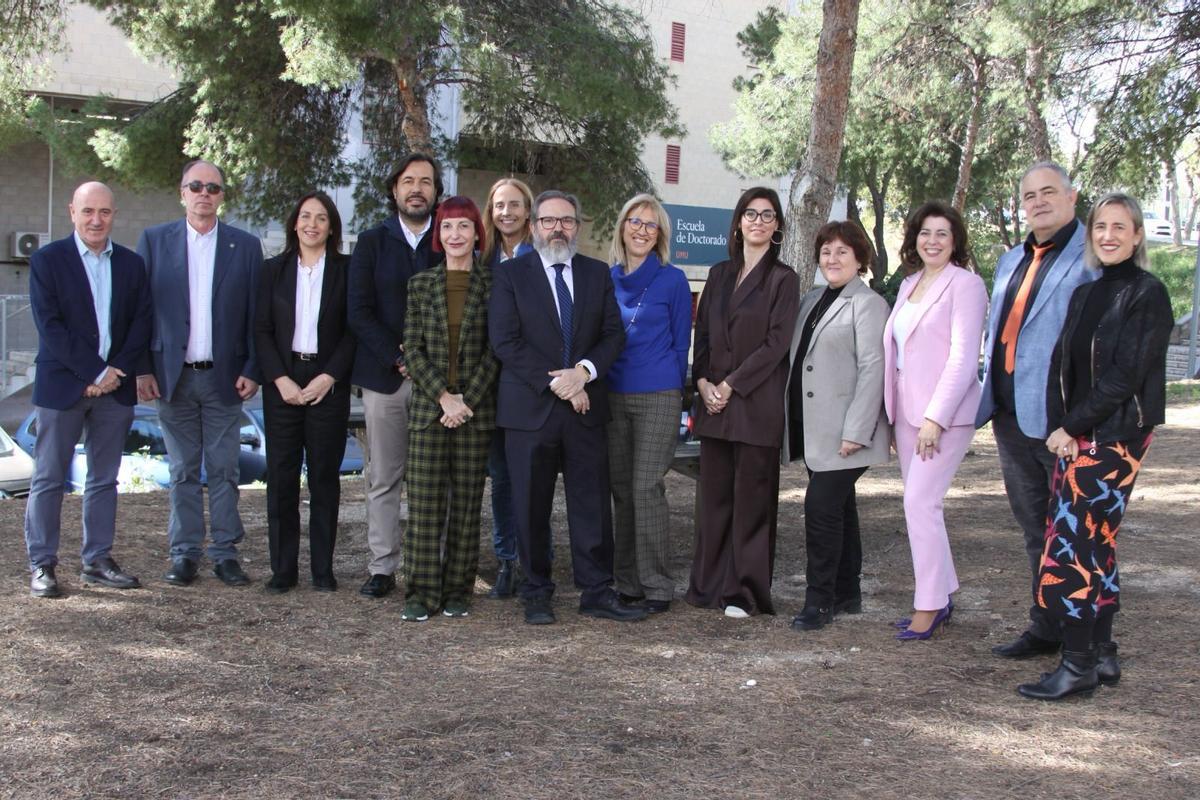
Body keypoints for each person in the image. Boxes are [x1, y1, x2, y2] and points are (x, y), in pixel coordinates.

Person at [1016, 193, 1173, 700]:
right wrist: (1060, 427)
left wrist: (1074, 427)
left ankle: (1077, 663)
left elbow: (1125, 376)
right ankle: (1103, 655)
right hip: (1080, 435)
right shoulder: (1087, 293)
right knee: (1097, 542)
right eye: (1100, 226)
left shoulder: (1149, 294)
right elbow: (1067, 369)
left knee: (1073, 546)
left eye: (1119, 227)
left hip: (1116, 435)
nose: (1108, 235)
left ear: (1137, 235)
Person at [488, 189, 644, 625]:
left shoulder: (596, 274)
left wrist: (585, 373)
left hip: (585, 407)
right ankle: (536, 591)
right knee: (529, 503)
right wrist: (562, 382)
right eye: (549, 220)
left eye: (567, 220)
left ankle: (596, 590)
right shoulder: (511, 274)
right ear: (534, 225)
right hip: (530, 408)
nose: (558, 228)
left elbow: (613, 335)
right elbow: (505, 341)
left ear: (577, 226)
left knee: (591, 502)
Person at [977, 162, 1098, 658]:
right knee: (1036, 530)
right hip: (1010, 417)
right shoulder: (1010, 261)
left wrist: (1080, 419)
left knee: (1075, 534)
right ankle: (1045, 626)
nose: (1039, 202)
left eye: (1049, 192)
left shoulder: (1092, 256)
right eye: (1029, 196)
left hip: (1063, 423)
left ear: (1072, 198)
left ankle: (1082, 640)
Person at [24, 181, 152, 598]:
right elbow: (51, 327)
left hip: (115, 390)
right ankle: (42, 563)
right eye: (88, 211)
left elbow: (140, 325)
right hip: (64, 386)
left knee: (103, 479)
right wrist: (95, 373)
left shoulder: (132, 265)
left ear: (114, 214)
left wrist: (113, 374)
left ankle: (97, 560)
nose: (96, 220)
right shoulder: (47, 261)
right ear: (72, 212)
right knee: (49, 478)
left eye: (105, 212)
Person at [137, 160, 262, 587]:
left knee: (225, 469)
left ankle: (225, 553)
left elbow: (254, 316)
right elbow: (141, 312)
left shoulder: (244, 246)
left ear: (222, 196)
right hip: (172, 377)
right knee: (183, 470)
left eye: (213, 187)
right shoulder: (155, 241)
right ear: (182, 192)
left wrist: (252, 368)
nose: (204, 193)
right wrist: (141, 370)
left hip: (225, 378)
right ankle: (184, 554)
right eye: (196, 186)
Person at [686, 187, 799, 618]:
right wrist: (701, 383)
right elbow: (705, 338)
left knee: (752, 503)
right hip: (712, 404)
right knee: (714, 501)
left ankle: (744, 593)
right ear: (737, 223)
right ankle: (708, 586)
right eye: (750, 214)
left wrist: (730, 385)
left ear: (776, 227)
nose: (757, 221)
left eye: (767, 215)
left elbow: (776, 345)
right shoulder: (717, 275)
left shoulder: (783, 279)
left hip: (754, 404)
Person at [883, 202, 988, 640]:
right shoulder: (909, 284)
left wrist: (934, 419)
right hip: (906, 414)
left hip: (941, 417)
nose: (933, 240)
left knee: (919, 505)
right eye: (926, 232)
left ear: (955, 240)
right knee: (925, 506)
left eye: (942, 233)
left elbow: (963, 357)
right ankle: (942, 596)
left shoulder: (966, 285)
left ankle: (927, 605)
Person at [782, 220, 890, 631]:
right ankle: (848, 592)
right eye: (826, 251)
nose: (833, 258)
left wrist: (856, 431)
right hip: (815, 429)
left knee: (821, 508)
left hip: (846, 432)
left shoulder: (868, 304)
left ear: (860, 258)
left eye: (843, 251)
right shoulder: (812, 300)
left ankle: (819, 602)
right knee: (841, 508)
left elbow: (873, 369)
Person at [348, 154, 444, 599]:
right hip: (385, 378)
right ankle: (382, 567)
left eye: (425, 182)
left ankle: (430, 563)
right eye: (409, 181)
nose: (417, 189)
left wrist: (427, 361)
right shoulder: (372, 242)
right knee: (384, 476)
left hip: (439, 383)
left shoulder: (448, 239)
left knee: (432, 477)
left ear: (435, 192)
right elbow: (359, 311)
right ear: (395, 190)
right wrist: (397, 355)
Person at [400, 196, 499, 621]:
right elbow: (412, 349)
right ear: (437, 235)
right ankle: (421, 593)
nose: (455, 235)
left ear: (478, 233)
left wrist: (465, 401)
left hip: (474, 413)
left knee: (465, 505)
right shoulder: (420, 284)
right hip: (430, 409)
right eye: (446, 227)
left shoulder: (495, 284)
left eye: (463, 226)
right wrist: (443, 396)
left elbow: (497, 351)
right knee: (423, 506)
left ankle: (459, 588)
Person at [254, 191, 356, 593]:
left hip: (327, 382)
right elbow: (261, 330)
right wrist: (280, 379)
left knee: (324, 479)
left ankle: (322, 570)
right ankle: (283, 570)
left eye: (321, 218)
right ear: (294, 223)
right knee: (281, 479)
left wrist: (329, 376)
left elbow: (352, 331)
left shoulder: (347, 271)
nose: (312, 224)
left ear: (331, 227)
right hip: (283, 380)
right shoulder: (271, 272)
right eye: (305, 217)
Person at [606, 193, 693, 614]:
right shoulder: (605, 278)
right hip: (612, 394)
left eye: (650, 225)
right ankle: (627, 582)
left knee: (646, 488)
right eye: (635, 222)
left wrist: (676, 392)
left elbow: (682, 343)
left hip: (658, 393)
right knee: (622, 490)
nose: (641, 230)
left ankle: (658, 585)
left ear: (660, 235)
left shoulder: (673, 280)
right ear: (622, 227)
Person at [480, 177, 537, 598]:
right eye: (499, 205)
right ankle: (507, 561)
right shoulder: (483, 261)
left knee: (532, 479)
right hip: (490, 388)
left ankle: (537, 559)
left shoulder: (545, 257)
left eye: (514, 205)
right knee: (500, 479)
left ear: (528, 211)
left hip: (533, 385)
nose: (506, 212)